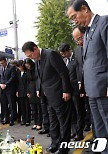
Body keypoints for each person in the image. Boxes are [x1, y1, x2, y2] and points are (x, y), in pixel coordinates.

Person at [67, 1, 108, 153]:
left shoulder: (104, 22)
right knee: (100, 130)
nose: (74, 21)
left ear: (84, 9)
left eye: (74, 16)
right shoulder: (88, 32)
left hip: (104, 89)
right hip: (92, 91)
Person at [22, 41, 72, 154]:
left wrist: (66, 90)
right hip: (47, 96)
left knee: (63, 122)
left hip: (59, 94)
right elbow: (41, 77)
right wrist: (39, 90)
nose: (31, 58)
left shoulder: (51, 54)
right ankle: (55, 143)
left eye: (30, 55)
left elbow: (63, 73)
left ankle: (64, 147)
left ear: (35, 48)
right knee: (53, 121)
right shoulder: (38, 60)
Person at [59, 43, 86, 141]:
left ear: (69, 50)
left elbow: (81, 70)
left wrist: (80, 83)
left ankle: (80, 133)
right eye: (62, 54)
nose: (63, 55)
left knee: (79, 111)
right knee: (72, 112)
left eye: (64, 53)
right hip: (67, 90)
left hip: (76, 89)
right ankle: (74, 131)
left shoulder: (77, 58)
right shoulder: (64, 61)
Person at [72, 25, 92, 132]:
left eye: (79, 38)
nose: (78, 42)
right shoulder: (78, 51)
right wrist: (81, 83)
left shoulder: (94, 45)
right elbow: (79, 68)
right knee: (90, 111)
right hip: (85, 87)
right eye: (76, 40)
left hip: (98, 86)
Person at [24, 58, 43, 131]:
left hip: (37, 88)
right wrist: (28, 91)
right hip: (31, 89)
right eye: (26, 66)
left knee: (39, 108)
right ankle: (35, 122)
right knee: (33, 108)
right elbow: (28, 81)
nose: (28, 67)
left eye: (28, 65)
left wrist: (38, 89)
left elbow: (38, 79)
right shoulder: (28, 71)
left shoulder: (36, 68)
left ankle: (39, 123)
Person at [0, 57, 16, 126]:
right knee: (4, 105)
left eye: (2, 63)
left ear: (5, 61)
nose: (2, 64)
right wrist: (0, 84)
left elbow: (12, 77)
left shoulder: (11, 67)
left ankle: (12, 119)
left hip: (9, 89)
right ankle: (6, 118)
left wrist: (6, 84)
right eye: (0, 63)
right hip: (2, 89)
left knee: (11, 105)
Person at [16, 60, 31, 126]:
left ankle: (28, 120)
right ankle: (23, 119)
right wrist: (17, 91)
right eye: (19, 67)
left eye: (21, 66)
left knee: (27, 106)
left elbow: (28, 83)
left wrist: (28, 91)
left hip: (26, 91)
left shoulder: (27, 72)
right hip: (20, 91)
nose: (20, 68)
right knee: (22, 107)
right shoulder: (18, 73)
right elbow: (17, 83)